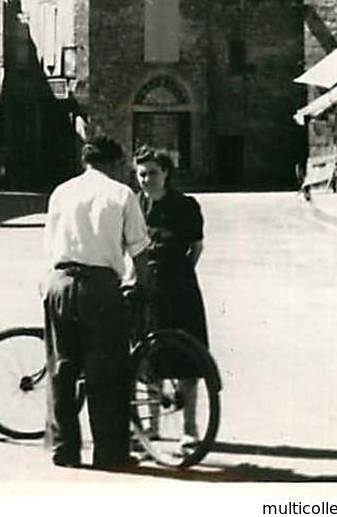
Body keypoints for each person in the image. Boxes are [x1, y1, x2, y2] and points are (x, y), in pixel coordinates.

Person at [43, 136, 150, 471]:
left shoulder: (61, 192)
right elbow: (139, 250)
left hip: (60, 283)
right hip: (100, 288)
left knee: (62, 369)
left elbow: (51, 244)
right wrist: (143, 288)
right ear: (115, 163)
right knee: (106, 371)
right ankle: (110, 452)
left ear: (85, 161)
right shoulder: (122, 194)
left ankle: (65, 450)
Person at [132, 146, 210, 456]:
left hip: (179, 288)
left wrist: (178, 274)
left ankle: (189, 429)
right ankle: (152, 426)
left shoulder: (185, 206)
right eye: (141, 174)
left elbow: (196, 246)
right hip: (145, 288)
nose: (146, 179)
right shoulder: (134, 205)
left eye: (152, 173)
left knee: (187, 359)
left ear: (166, 173)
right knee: (148, 358)